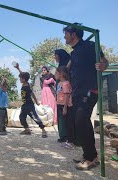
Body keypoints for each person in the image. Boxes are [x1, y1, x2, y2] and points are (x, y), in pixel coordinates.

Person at [63, 23, 109, 170]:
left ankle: (89, 158)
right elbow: (68, 70)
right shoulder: (74, 53)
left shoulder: (89, 46)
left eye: (66, 33)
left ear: (73, 34)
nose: (64, 36)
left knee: (81, 122)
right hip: (78, 93)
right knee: (82, 124)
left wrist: (103, 66)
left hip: (89, 91)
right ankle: (91, 156)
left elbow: (104, 62)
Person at [14, 63, 47, 138]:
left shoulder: (27, 86)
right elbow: (23, 75)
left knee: (35, 117)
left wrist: (36, 102)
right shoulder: (25, 83)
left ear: (24, 79)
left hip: (29, 106)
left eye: (20, 78)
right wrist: (18, 68)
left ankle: (43, 130)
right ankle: (27, 130)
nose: (19, 79)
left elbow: (32, 94)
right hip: (24, 105)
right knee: (22, 117)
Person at [55, 66, 74, 149]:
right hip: (59, 104)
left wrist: (65, 107)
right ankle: (64, 138)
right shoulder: (59, 83)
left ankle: (69, 140)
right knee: (62, 122)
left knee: (67, 123)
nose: (55, 74)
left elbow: (67, 96)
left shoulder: (66, 83)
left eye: (56, 73)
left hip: (64, 105)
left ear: (61, 74)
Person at [54, 49, 71, 142]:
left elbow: (67, 93)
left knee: (64, 118)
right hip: (59, 100)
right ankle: (63, 136)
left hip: (64, 101)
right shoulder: (61, 66)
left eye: (55, 55)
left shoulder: (65, 68)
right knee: (61, 118)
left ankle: (65, 136)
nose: (54, 57)